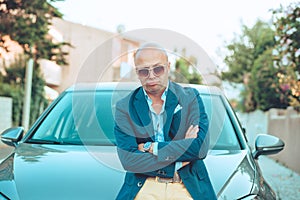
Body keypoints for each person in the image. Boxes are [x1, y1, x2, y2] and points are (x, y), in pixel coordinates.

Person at [114, 42, 216, 200]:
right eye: (144, 71)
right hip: (143, 187)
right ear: (137, 72)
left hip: (188, 187)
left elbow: (199, 148)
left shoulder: (190, 98)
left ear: (168, 66)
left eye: (158, 68)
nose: (151, 75)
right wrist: (179, 158)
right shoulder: (124, 107)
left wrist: (151, 147)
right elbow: (129, 161)